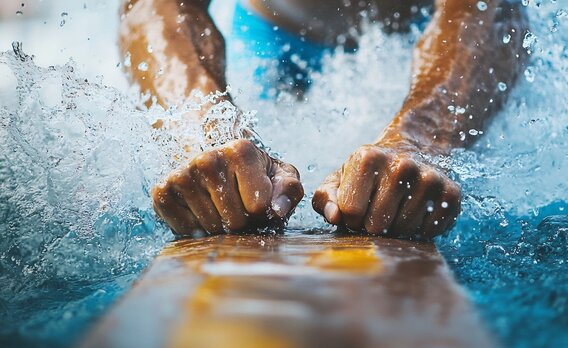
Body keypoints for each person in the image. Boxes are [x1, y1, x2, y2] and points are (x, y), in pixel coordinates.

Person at [119, 0, 528, 237]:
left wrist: (420, 140)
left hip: (437, 34)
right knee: (233, 170)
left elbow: (491, 8)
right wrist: (207, 133)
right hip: (273, 34)